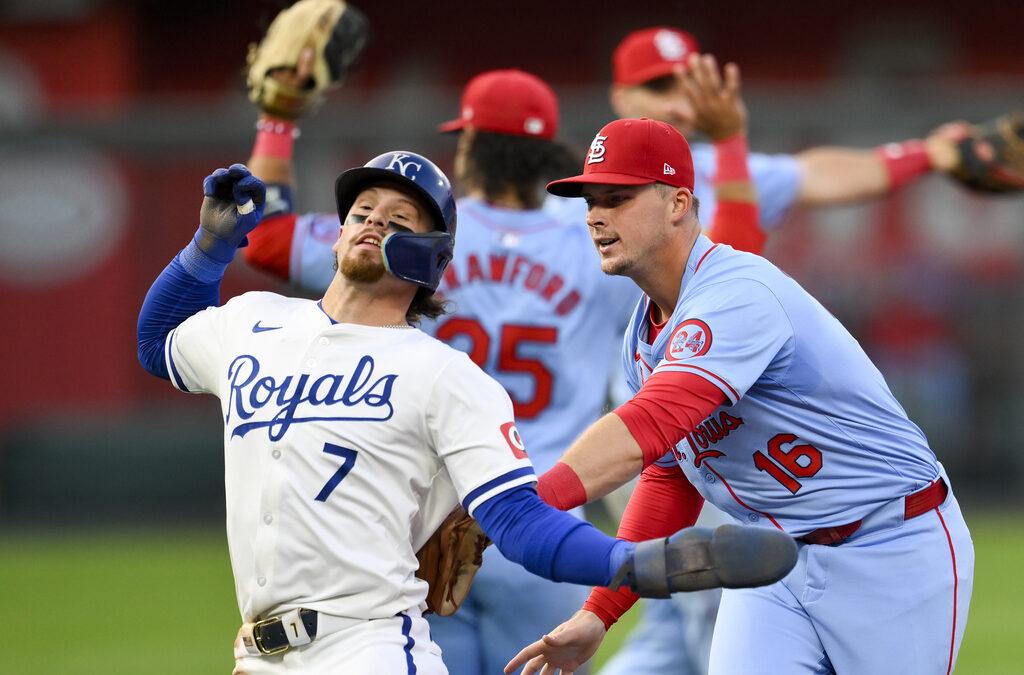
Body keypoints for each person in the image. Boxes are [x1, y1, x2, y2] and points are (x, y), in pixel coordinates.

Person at [135, 154, 793, 673]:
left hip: (366, 650)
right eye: (363, 210)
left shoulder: (444, 376)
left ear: (431, 259)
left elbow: (519, 521)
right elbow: (158, 343)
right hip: (259, 653)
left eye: (399, 221)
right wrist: (209, 246)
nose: (372, 221)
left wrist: (646, 564)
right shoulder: (254, 323)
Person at [241, 55, 765, 674]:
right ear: (548, 155)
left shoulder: (418, 237)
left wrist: (277, 120)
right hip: (543, 521)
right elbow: (729, 258)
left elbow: (263, 240)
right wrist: (729, 143)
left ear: (468, 149)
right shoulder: (594, 237)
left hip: (424, 522)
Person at [505, 118, 974, 675]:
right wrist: (600, 613)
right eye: (589, 201)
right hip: (773, 560)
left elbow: (649, 424)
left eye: (617, 197)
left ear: (678, 202)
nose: (596, 216)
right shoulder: (645, 334)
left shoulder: (736, 294)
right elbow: (668, 475)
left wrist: (518, 508)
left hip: (891, 545)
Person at [609, 25, 969, 231]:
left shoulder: (711, 169)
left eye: (689, 85)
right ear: (620, 99)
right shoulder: (579, 192)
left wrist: (928, 154)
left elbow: (816, 175)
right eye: (657, 88)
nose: (677, 103)